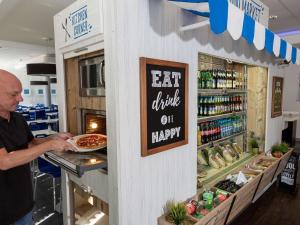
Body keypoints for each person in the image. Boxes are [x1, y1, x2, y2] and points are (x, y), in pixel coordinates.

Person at [0, 69, 76, 225]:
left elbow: (30, 144)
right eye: (13, 94)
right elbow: (4, 161)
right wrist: (50, 144)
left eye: (20, 93)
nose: (21, 98)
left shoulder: (18, 118)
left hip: (24, 203)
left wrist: (53, 137)